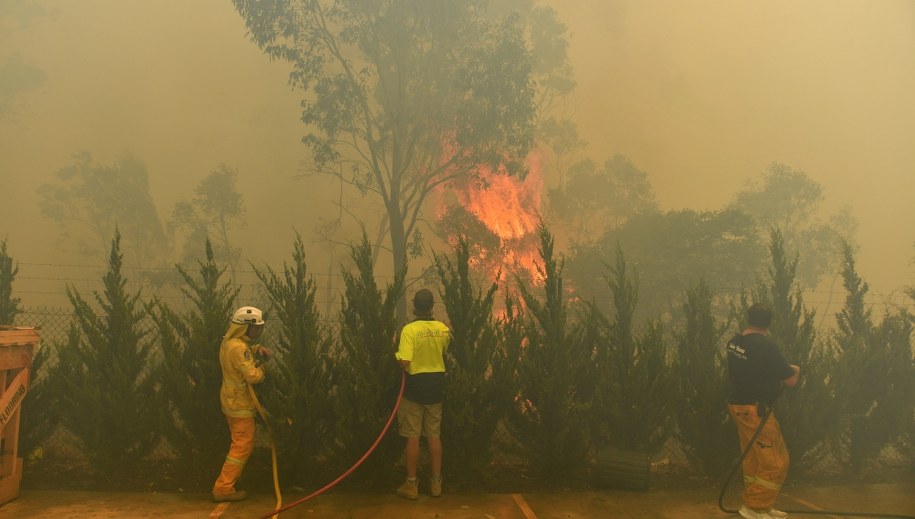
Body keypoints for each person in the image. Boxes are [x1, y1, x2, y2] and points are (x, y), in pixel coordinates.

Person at [726, 303, 801, 519]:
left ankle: (758, 504)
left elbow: (752, 367)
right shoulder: (765, 346)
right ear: (769, 323)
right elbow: (791, 379)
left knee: (754, 458)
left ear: (749, 318)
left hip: (738, 406)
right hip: (755, 411)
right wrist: (796, 368)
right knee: (776, 461)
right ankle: (755, 508)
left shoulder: (735, 342)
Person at [394, 289, 452, 500]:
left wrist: (398, 351)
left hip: (414, 391)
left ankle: (411, 485)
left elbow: (405, 362)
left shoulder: (409, 330)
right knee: (434, 436)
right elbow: (443, 351)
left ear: (414, 306)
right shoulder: (442, 329)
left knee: (413, 438)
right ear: (432, 306)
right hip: (436, 388)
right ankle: (436, 484)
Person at [211, 305, 271, 502]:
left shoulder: (229, 342)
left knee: (239, 445)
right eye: (256, 328)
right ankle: (223, 488)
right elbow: (253, 376)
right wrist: (262, 368)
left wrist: (255, 348)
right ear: (244, 327)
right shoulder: (238, 348)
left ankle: (225, 485)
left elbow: (241, 353)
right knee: (241, 447)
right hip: (240, 405)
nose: (258, 331)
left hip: (230, 401)